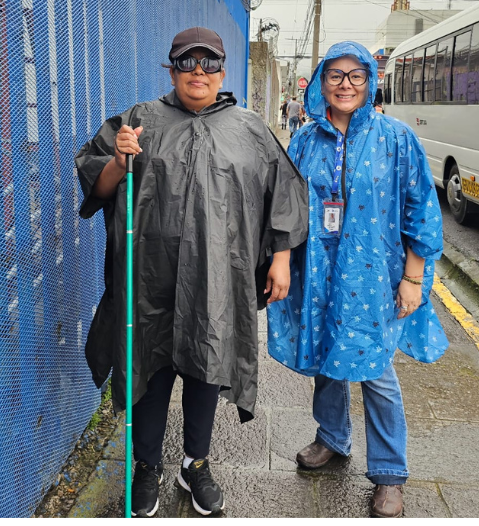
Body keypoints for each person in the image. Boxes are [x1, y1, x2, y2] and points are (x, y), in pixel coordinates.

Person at [75, 27, 308, 518]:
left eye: (208, 63)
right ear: (172, 70)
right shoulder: (138, 120)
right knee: (151, 368)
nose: (197, 72)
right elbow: (97, 184)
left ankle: (195, 464)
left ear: (222, 71)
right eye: (186, 62)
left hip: (220, 277)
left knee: (207, 366)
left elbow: (284, 192)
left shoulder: (249, 128)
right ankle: (147, 467)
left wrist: (282, 257)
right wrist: (119, 159)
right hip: (149, 278)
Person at [266, 41, 448, 518]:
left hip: (375, 277)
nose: (345, 85)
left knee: (376, 371)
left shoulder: (396, 138)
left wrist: (414, 275)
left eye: (356, 76)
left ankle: (389, 473)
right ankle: (332, 438)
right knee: (328, 356)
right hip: (320, 272)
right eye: (335, 75)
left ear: (369, 82)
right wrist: (281, 259)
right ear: (321, 82)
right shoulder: (305, 140)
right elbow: (285, 205)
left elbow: (420, 207)